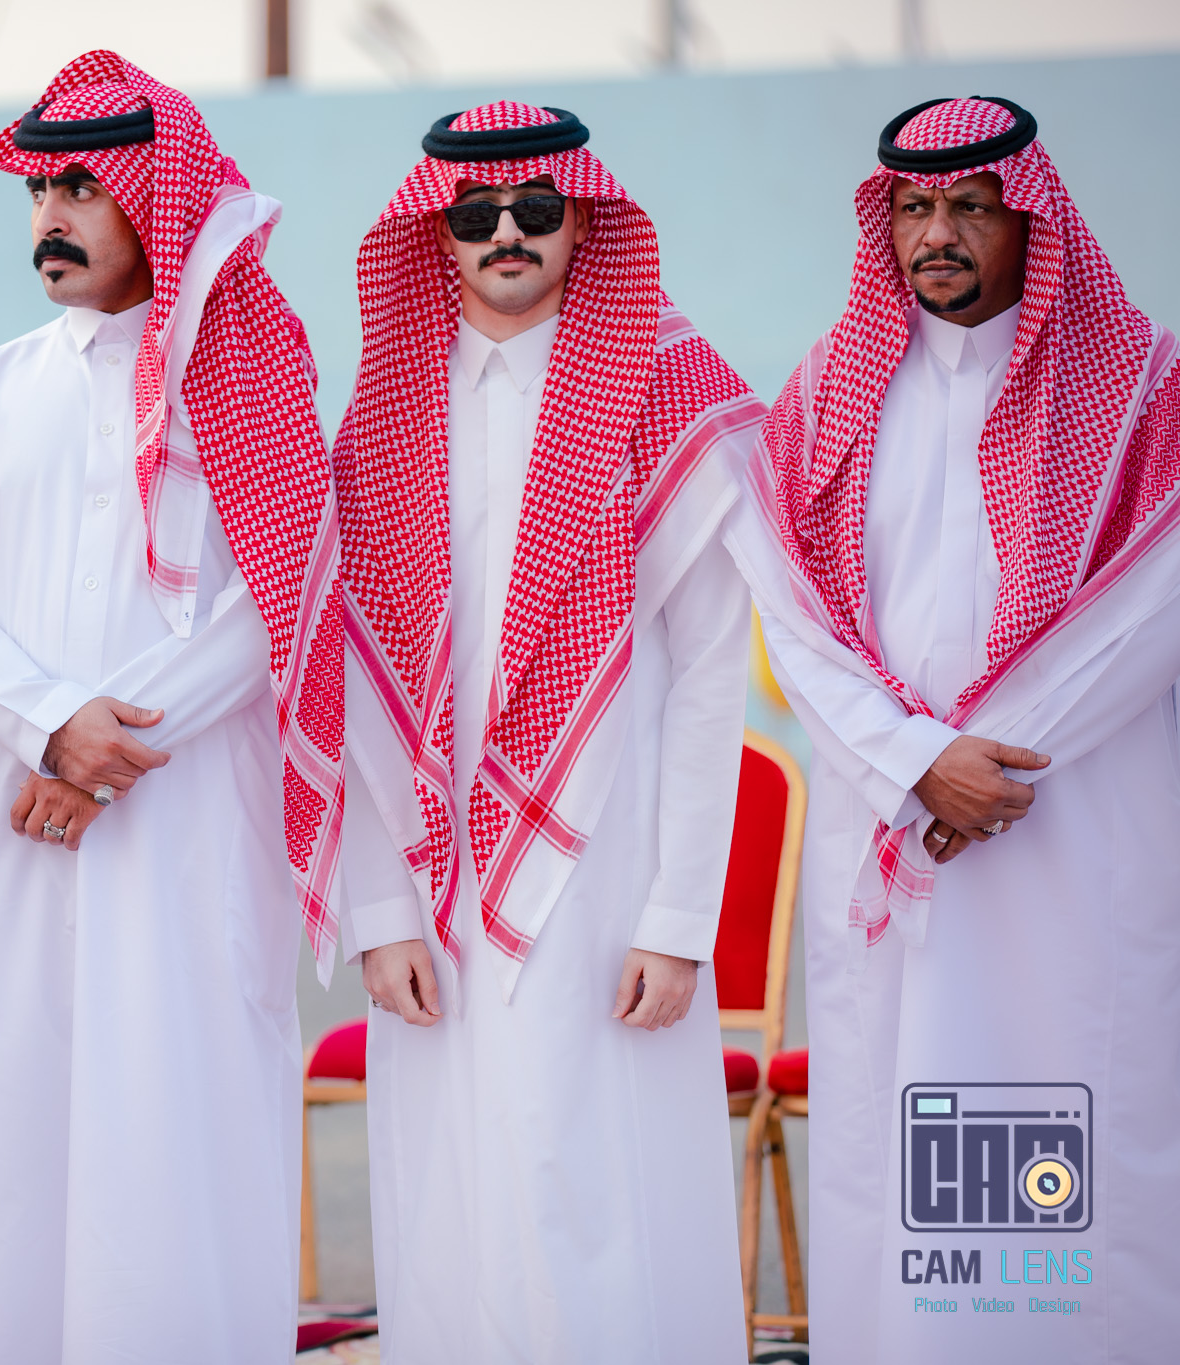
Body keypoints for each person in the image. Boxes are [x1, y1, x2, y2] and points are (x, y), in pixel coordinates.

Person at [0, 50, 342, 1365]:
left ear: (158, 197)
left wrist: (102, 747)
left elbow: (277, 598)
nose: (51, 215)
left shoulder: (249, 376)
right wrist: (48, 728)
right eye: (39, 191)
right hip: (21, 816)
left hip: (186, 822)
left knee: (177, 1112)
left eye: (83, 189)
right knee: (17, 1117)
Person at [725, 97, 1180, 1363]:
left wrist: (989, 761)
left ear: (1027, 218)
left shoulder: (1141, 389)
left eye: (969, 207)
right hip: (897, 831)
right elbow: (791, 618)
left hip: (1065, 834)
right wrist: (916, 764)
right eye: (915, 209)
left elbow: (1149, 608)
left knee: (1064, 1128)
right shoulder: (824, 394)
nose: (937, 234)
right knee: (898, 1144)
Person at [332, 104, 763, 1360]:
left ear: (582, 218)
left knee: (602, 1182)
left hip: (610, 867)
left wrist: (678, 918)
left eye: (534, 208)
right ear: (436, 232)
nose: (505, 233)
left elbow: (709, 678)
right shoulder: (385, 410)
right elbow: (351, 684)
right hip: (433, 875)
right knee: (452, 1187)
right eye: (475, 214)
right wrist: (378, 909)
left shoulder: (668, 392)